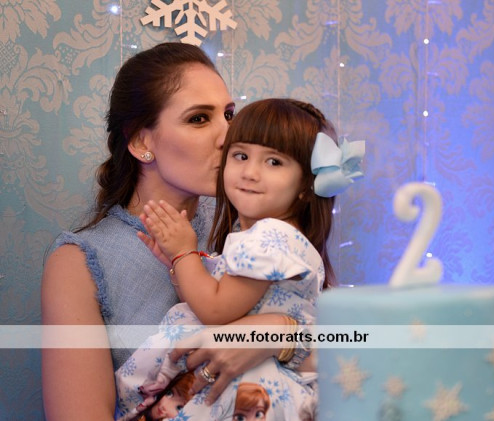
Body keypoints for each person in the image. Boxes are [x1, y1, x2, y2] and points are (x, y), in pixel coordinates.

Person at [41, 43, 303, 420]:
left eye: (229, 115)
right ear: (141, 141)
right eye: (199, 118)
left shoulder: (254, 225)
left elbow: (344, 355)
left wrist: (280, 331)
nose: (229, 136)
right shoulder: (79, 261)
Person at [114, 98, 365, 420]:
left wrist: (184, 253)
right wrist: (179, 265)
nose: (250, 172)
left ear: (305, 185)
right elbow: (221, 301)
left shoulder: (270, 237)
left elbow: (214, 311)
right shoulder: (264, 237)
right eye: (241, 156)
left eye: (273, 162)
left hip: (248, 383)